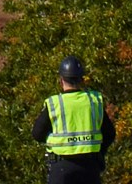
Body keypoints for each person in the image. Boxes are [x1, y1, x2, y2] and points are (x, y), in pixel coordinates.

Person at [35, 55, 113, 184]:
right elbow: (109, 133)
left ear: (61, 81)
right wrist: (98, 152)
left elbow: (37, 134)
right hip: (90, 168)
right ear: (82, 80)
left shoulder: (55, 103)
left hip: (61, 167)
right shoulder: (93, 101)